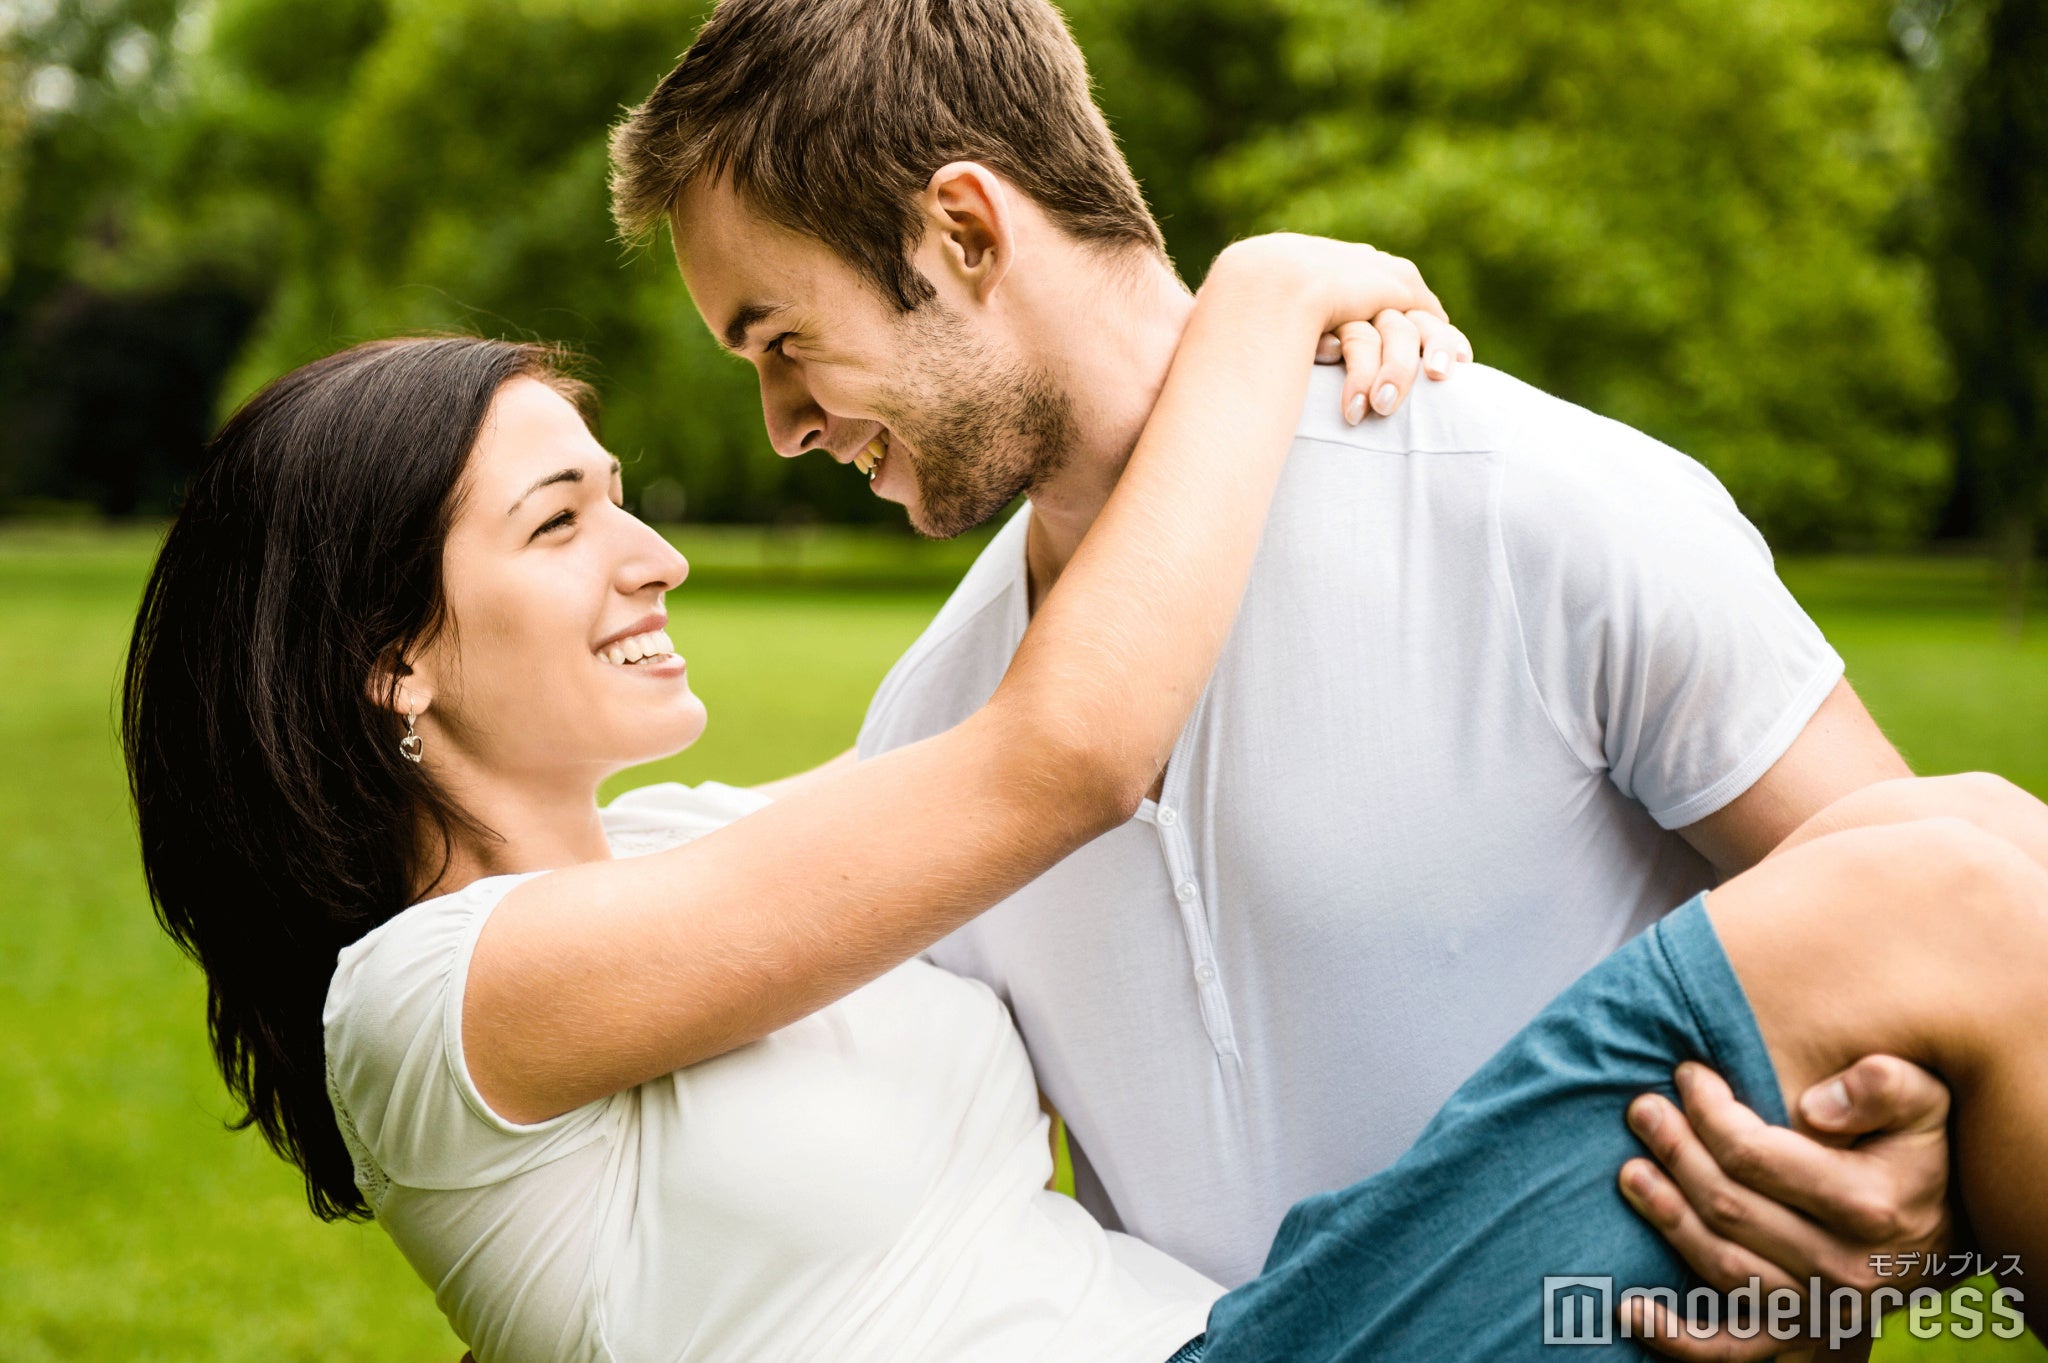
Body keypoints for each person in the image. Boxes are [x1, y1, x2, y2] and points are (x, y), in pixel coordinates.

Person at [124, 242, 2044, 1363]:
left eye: (622, 495)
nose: (656, 558)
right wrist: (1267, 293)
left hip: (1271, 1326)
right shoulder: (428, 1007)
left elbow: (1028, 765)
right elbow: (1065, 754)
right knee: (1942, 894)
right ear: (395, 657)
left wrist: (1905, 1229)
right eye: (563, 521)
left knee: (1966, 846)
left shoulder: (710, 846)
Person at [607, 0, 1950, 1319]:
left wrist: (1884, 1198)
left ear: (965, 230)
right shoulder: (944, 728)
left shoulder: (1529, 507)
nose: (781, 424)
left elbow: (1926, 936)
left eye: (782, 341)